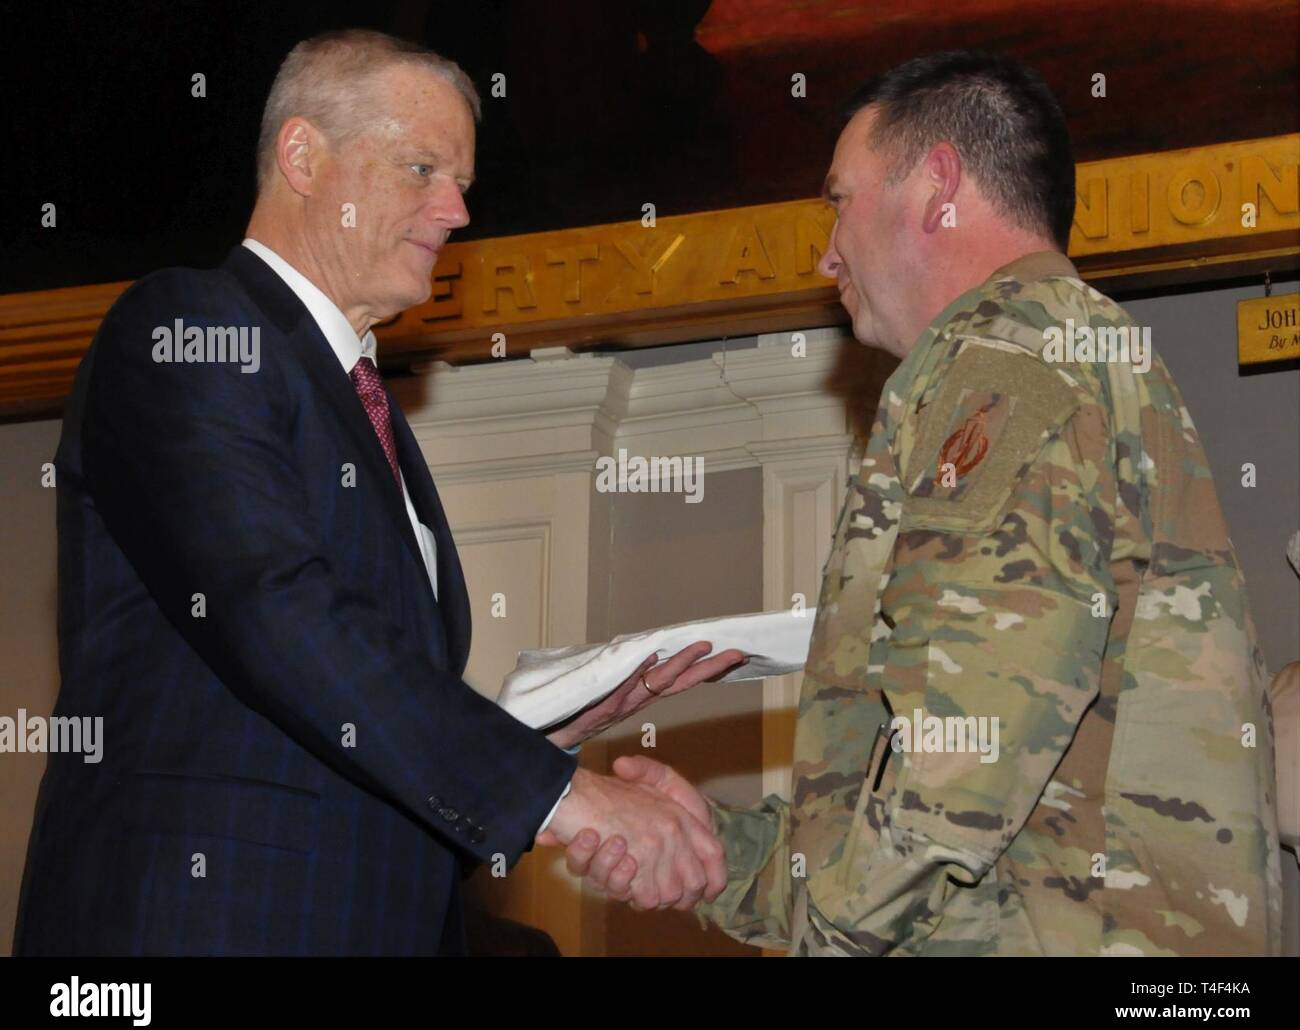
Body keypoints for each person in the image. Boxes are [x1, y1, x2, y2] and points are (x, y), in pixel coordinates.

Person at [14, 29, 731, 957]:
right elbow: (273, 608)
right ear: (302, 156)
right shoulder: (188, 327)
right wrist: (558, 795)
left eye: (464, 182)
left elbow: (353, 731)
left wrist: (542, 738)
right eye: (423, 168)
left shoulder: (366, 404)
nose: (456, 210)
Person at [567, 49, 1284, 956]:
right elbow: (963, 779)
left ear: (937, 185)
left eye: (839, 200)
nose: (828, 250)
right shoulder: (1073, 350)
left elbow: (960, 764)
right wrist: (726, 856)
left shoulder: (1001, 361)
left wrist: (825, 938)